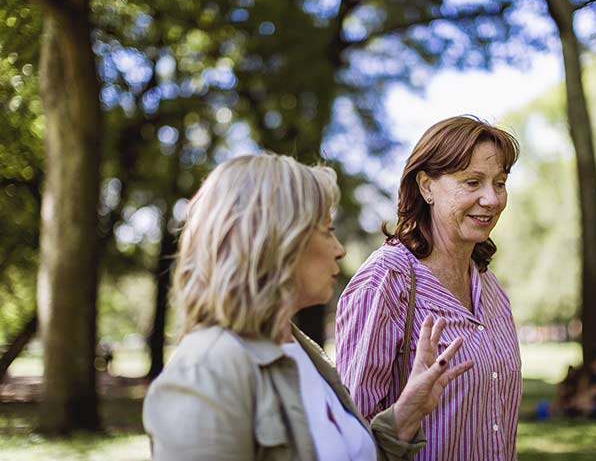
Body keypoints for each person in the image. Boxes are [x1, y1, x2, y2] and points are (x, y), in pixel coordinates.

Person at [142, 153, 474, 461]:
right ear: (277, 240)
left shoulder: (301, 350)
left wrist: (405, 414)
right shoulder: (207, 372)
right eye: (327, 231)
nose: (340, 250)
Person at [335, 116, 522, 461]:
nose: (492, 199)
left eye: (499, 183)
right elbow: (351, 433)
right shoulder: (386, 281)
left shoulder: (491, 287)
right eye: (472, 182)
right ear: (426, 186)